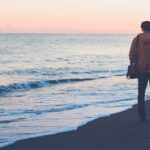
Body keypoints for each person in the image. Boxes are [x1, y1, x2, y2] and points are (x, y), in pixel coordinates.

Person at [129, 21, 150, 122]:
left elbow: (132, 54)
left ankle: (142, 116)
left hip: (141, 69)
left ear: (142, 28)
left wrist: (133, 63)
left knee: (141, 93)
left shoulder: (137, 39)